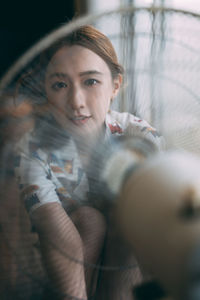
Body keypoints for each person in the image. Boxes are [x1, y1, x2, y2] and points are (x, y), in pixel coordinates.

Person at [14, 25, 164, 299]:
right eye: (60, 85)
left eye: (91, 81)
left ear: (115, 85)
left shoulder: (140, 137)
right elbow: (53, 229)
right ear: (46, 91)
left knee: (125, 219)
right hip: (69, 262)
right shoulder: (32, 151)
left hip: (130, 256)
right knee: (90, 219)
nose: (76, 101)